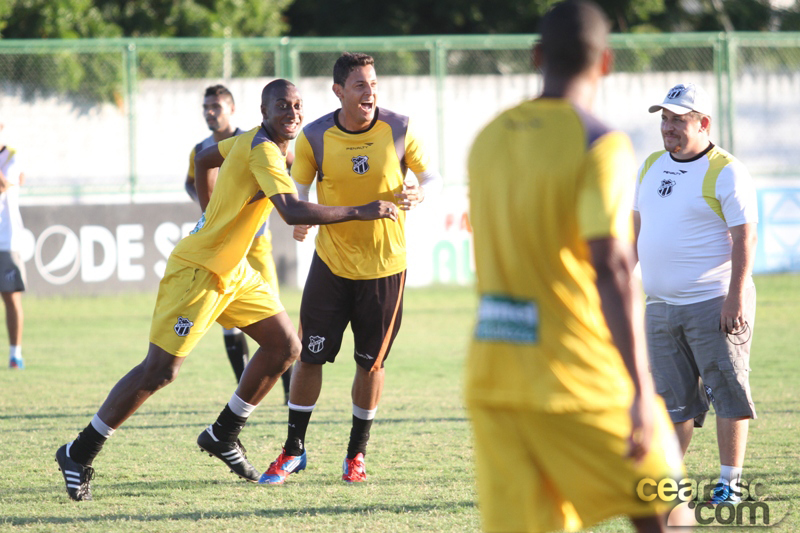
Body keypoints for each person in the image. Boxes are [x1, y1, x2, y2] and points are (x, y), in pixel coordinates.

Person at [55, 79, 398, 501]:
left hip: (234, 271)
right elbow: (291, 211)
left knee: (285, 347)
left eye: (297, 106)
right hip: (199, 272)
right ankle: (78, 451)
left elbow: (204, 159)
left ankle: (223, 433)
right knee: (160, 371)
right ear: (263, 112)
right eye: (282, 106)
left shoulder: (252, 142)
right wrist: (362, 210)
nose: (292, 114)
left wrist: (210, 212)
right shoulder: (263, 149)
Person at [466, 2, 688, 532]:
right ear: (606, 62)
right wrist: (640, 388)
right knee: (667, 507)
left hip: (494, 378)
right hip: (576, 376)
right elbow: (612, 266)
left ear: (536, 56)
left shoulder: (488, 138)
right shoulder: (599, 143)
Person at [261, 52, 443, 485]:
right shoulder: (315, 136)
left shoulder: (399, 128)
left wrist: (420, 193)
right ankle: (293, 450)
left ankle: (355, 455)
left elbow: (433, 178)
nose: (370, 92)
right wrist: (301, 219)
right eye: (360, 85)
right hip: (332, 266)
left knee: (370, 365)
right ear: (338, 91)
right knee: (309, 357)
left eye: (373, 84)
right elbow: (298, 189)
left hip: (385, 269)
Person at [634, 82, 758, 505]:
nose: (667, 127)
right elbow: (635, 229)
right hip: (659, 306)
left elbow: (745, 238)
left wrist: (735, 297)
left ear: (703, 123)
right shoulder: (650, 164)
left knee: (727, 392)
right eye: (664, 118)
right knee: (671, 401)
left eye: (678, 120)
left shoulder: (726, 170)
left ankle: (729, 485)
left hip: (713, 303)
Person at [185, 84, 292, 401]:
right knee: (229, 322)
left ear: (231, 109)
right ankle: (244, 387)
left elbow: (290, 162)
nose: (210, 112)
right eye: (206, 107)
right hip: (222, 246)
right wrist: (209, 206)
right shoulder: (200, 149)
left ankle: (289, 393)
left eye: (216, 106)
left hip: (256, 244)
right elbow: (191, 180)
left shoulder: (256, 140)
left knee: (274, 316)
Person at [0, 123, 26, 370]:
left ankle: (15, 355)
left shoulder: (11, 156)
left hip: (5, 239)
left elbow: (2, 186)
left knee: (10, 297)